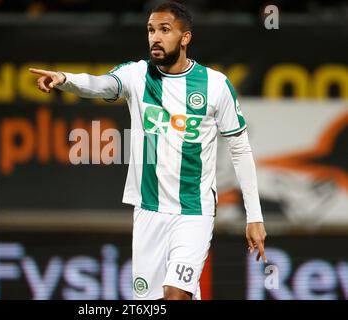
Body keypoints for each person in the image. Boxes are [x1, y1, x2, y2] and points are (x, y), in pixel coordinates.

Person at [29, 1, 267, 300]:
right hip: (148, 211)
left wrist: (254, 216)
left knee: (174, 294)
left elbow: (240, 150)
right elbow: (102, 84)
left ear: (185, 38)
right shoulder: (137, 75)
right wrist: (66, 79)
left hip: (194, 211)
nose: (155, 37)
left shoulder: (215, 85)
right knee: (150, 304)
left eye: (164, 30)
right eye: (151, 30)